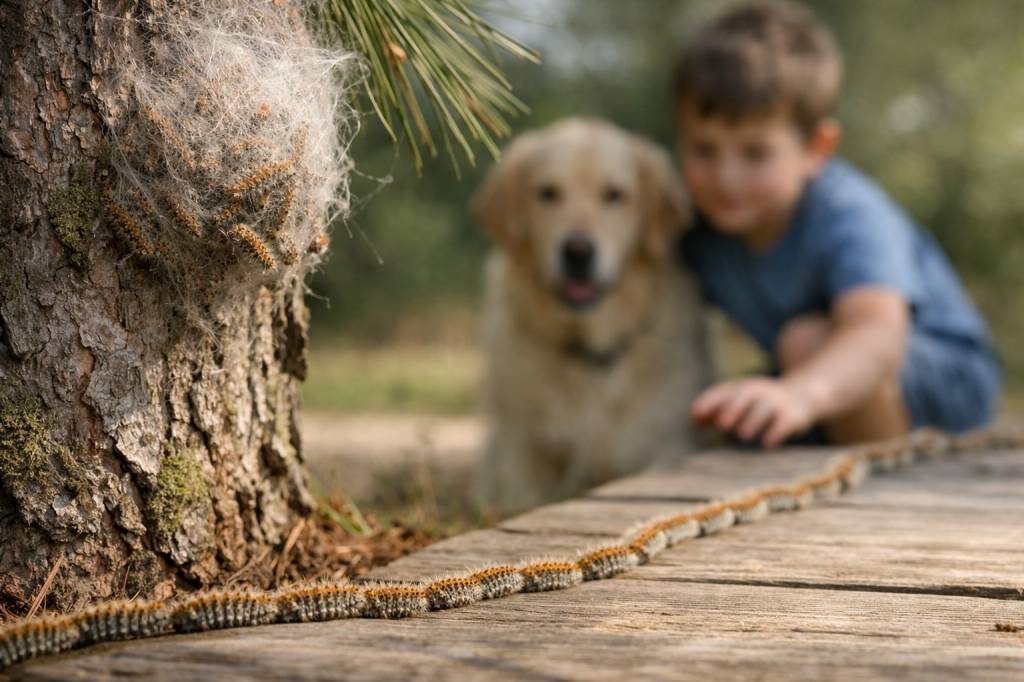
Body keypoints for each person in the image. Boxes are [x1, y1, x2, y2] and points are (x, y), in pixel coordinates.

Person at [675, 0, 1001, 447]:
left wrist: (799, 395)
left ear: (816, 149)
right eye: (704, 149)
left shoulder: (849, 213)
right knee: (734, 415)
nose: (724, 178)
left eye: (755, 154)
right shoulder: (701, 229)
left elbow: (878, 334)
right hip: (820, 382)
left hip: (942, 379)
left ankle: (886, 490)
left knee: (804, 341)